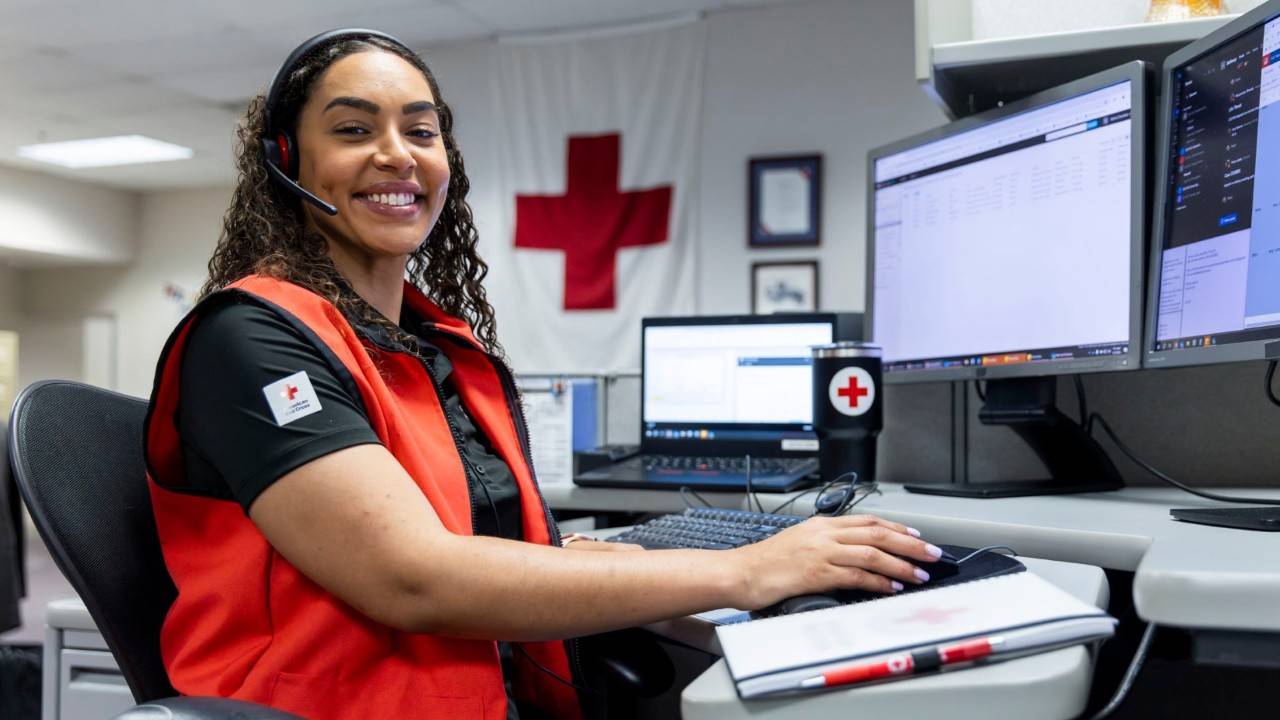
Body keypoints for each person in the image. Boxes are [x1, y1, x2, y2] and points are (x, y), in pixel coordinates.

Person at [143, 29, 944, 720]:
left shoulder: (421, 342)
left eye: (420, 132)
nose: (397, 154)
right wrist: (746, 569)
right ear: (287, 160)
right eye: (354, 129)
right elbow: (411, 577)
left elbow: (462, 531)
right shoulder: (253, 339)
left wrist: (584, 557)